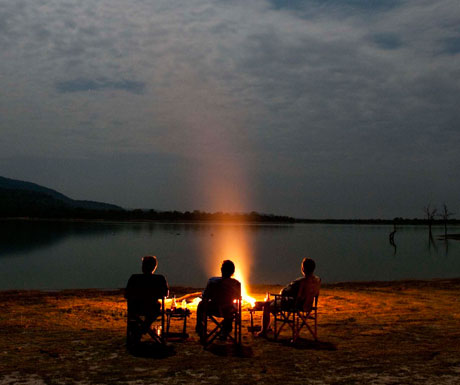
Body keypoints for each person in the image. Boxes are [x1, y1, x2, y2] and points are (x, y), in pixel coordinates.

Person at [258, 257, 320, 337]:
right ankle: (268, 327)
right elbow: (316, 294)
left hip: (295, 306)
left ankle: (263, 331)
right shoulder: (317, 280)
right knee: (273, 301)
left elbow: (283, 292)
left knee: (267, 305)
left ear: (303, 268)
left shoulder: (300, 281)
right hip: (308, 305)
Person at [125, 256, 169, 343]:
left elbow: (127, 294)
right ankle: (143, 329)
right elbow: (165, 294)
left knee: (135, 317)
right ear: (154, 267)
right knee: (158, 306)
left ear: (143, 266)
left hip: (135, 308)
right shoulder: (160, 279)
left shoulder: (134, 278)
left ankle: (139, 331)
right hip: (152, 308)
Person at [195, 260, 241, 337]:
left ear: (221, 270)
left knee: (201, 305)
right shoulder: (236, 284)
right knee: (233, 307)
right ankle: (226, 329)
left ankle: (201, 330)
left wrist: (204, 297)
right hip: (228, 310)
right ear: (233, 271)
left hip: (214, 309)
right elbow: (238, 298)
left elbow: (205, 296)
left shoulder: (213, 281)